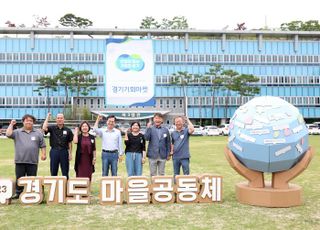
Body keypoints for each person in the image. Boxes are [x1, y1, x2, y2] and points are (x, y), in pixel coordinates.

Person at [6, 114, 46, 199]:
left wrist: (44, 154)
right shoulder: (17, 132)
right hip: (20, 160)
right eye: (27, 120)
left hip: (33, 161)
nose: (29, 122)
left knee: (32, 179)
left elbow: (42, 145)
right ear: (23, 122)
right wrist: (11, 124)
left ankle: (31, 192)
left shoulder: (38, 133)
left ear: (33, 122)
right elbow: (8, 134)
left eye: (31, 121)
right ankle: (18, 193)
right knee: (19, 178)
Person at [42, 112, 73, 179]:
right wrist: (47, 117)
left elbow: (70, 143)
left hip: (64, 151)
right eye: (58, 118)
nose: (60, 119)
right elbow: (44, 128)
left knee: (65, 171)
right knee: (53, 171)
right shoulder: (52, 128)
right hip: (54, 151)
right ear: (56, 119)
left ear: (64, 119)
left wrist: (70, 154)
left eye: (61, 118)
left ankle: (66, 187)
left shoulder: (68, 130)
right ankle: (54, 188)